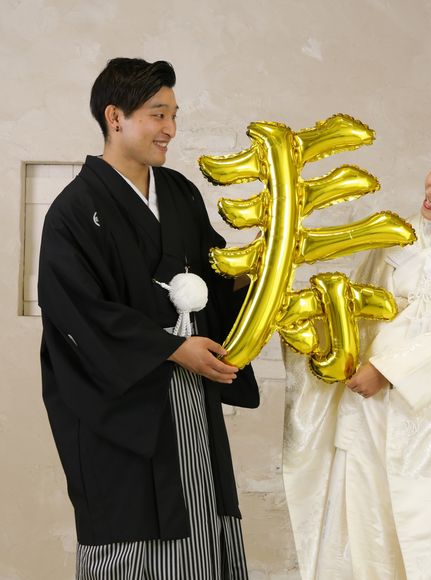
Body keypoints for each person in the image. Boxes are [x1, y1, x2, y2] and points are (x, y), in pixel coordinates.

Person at [38, 57, 259, 580]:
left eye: (174, 115)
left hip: (192, 386)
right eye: (158, 115)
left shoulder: (179, 192)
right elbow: (77, 312)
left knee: (200, 508)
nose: (171, 130)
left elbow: (213, 272)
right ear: (115, 117)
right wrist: (172, 349)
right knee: (131, 524)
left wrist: (254, 273)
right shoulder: (73, 211)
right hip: (125, 401)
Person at [282, 135, 431, 579]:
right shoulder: (397, 234)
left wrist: (388, 370)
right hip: (366, 410)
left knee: (427, 542)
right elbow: (356, 308)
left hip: (429, 425)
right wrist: (305, 322)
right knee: (357, 532)